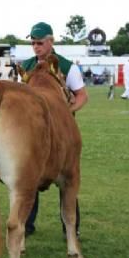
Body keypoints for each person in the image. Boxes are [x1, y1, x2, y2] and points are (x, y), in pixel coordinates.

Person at [21, 22, 88, 237]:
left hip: (61, 133)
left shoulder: (67, 66)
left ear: (51, 41)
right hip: (33, 131)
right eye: (32, 43)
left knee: (68, 177)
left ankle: (71, 229)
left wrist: (67, 113)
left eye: (39, 43)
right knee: (30, 176)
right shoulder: (26, 66)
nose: (36, 47)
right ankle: (26, 226)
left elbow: (81, 95)